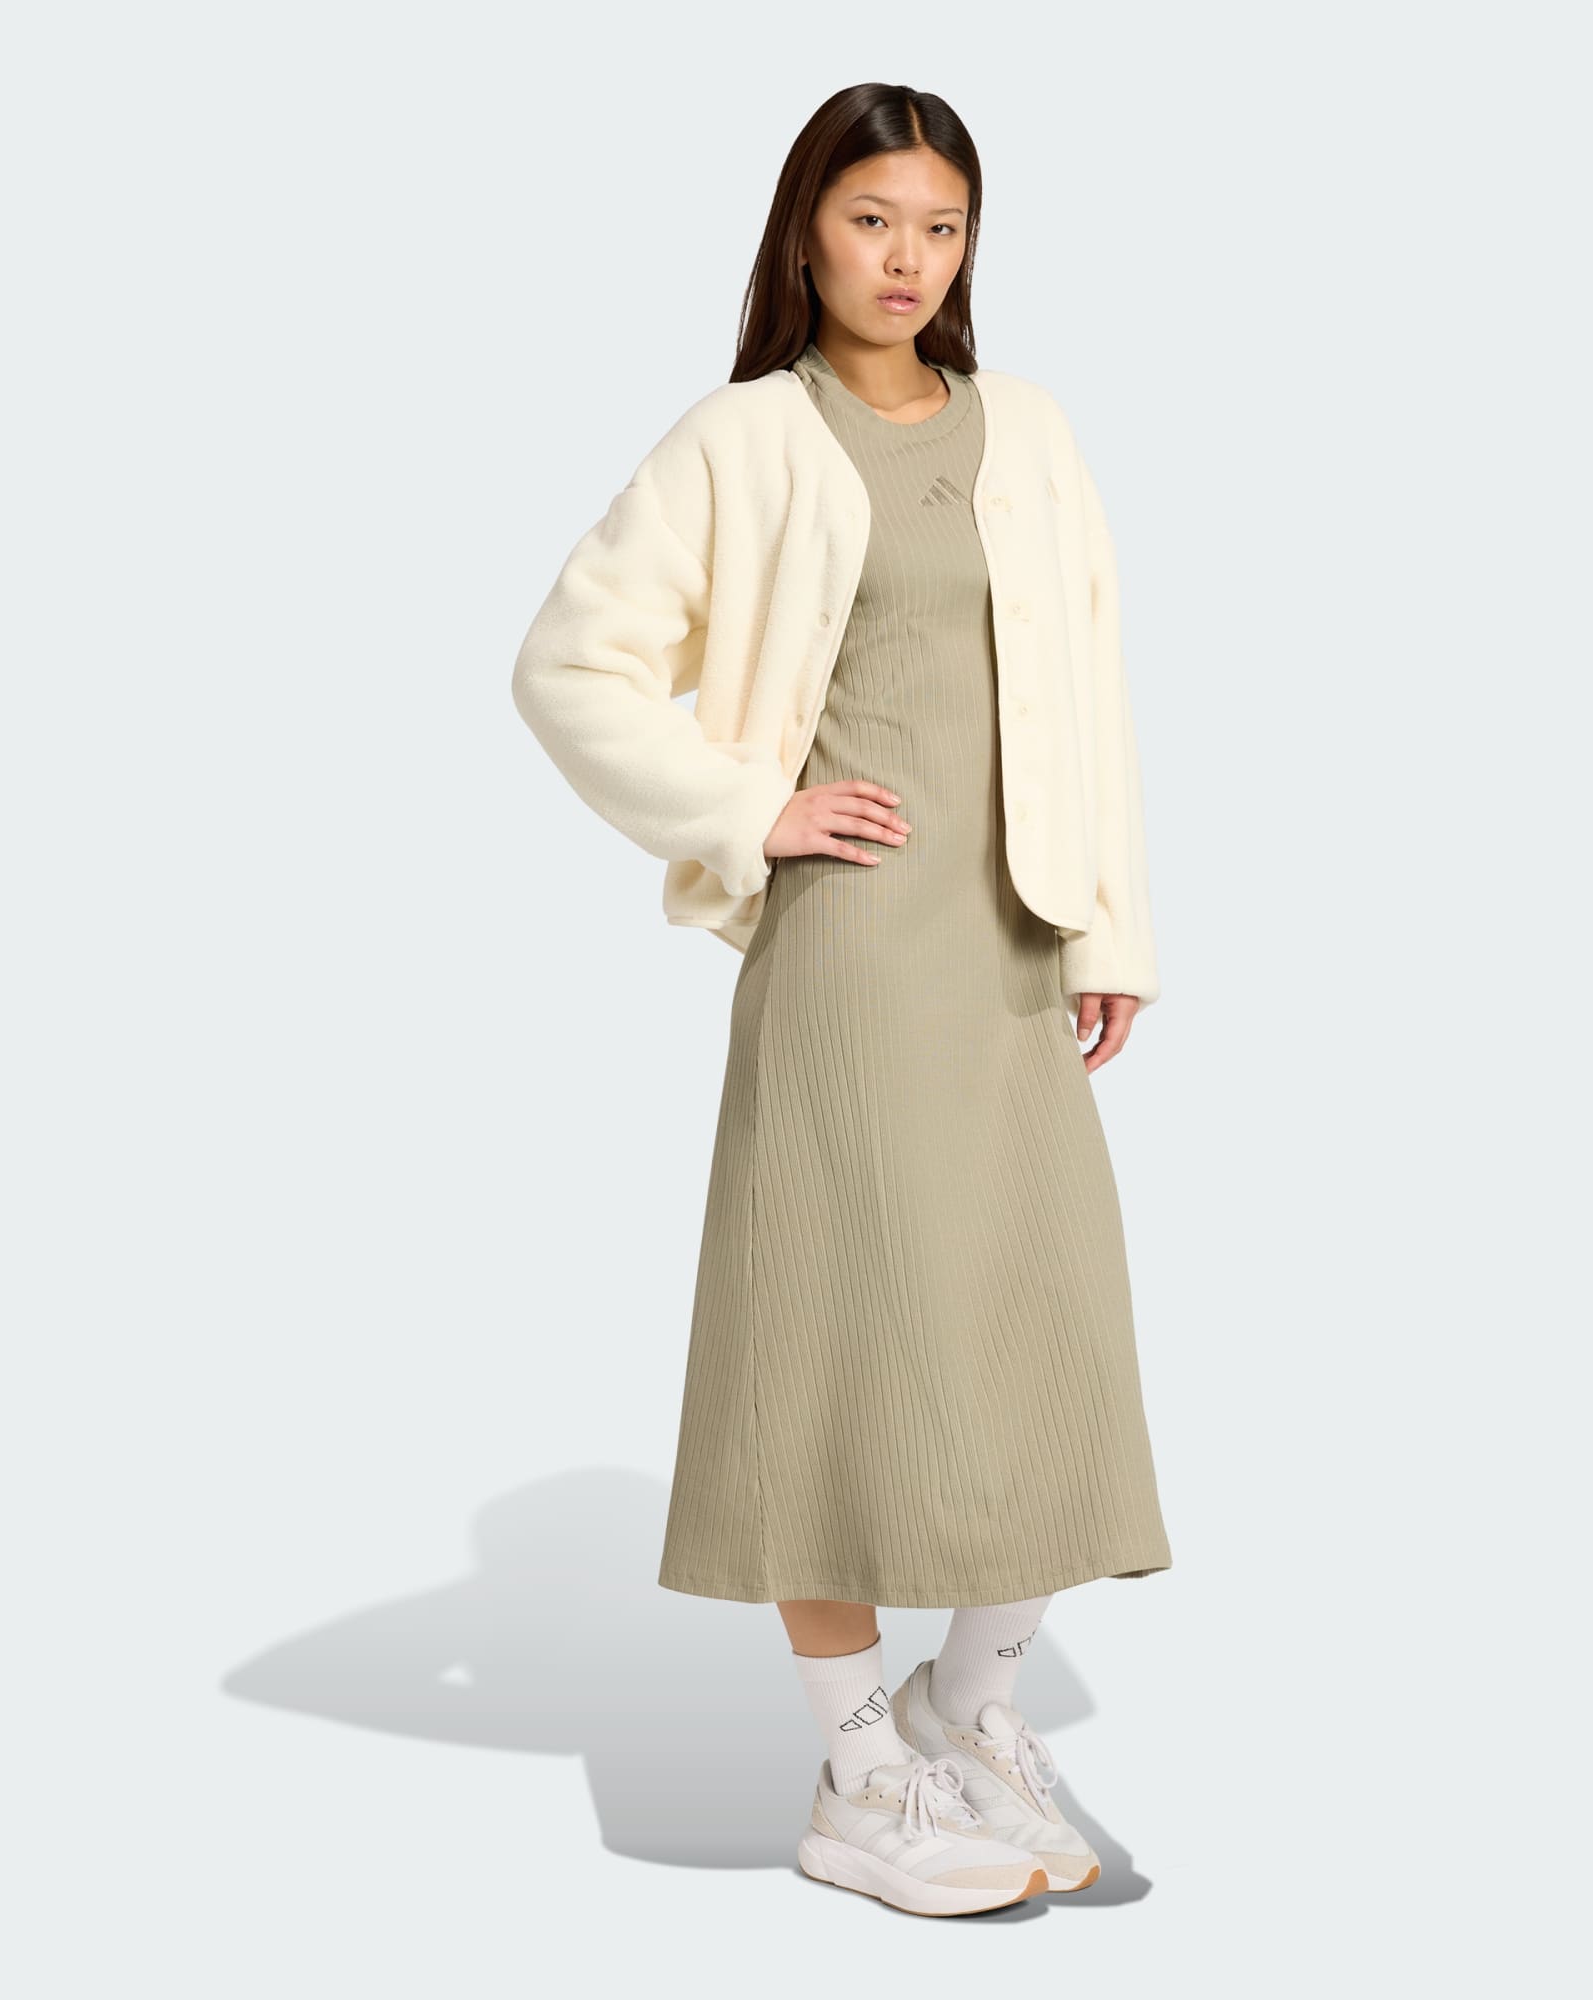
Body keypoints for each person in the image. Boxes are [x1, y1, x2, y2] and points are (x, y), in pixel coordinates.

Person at [512, 82, 1173, 1918]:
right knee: (831, 1342)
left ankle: (971, 1709)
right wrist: (754, 811)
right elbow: (570, 662)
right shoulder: (743, 438)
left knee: (1043, 1335)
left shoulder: (1030, 428)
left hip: (1017, 950)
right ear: (808, 226)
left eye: (941, 227)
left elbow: (1093, 682)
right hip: (856, 955)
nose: (908, 259)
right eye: (874, 219)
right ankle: (860, 1771)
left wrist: (1112, 932)